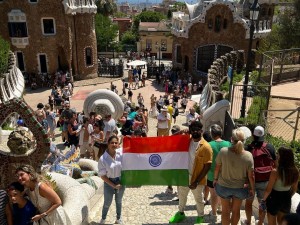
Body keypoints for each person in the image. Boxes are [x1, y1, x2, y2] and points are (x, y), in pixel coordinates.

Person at [169, 121, 213, 224]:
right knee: (182, 196)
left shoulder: (206, 147)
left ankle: (200, 217)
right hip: (184, 176)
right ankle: (180, 213)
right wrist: (180, 132)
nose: (195, 132)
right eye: (193, 130)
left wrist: (196, 181)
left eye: (197, 130)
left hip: (197, 178)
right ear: (190, 131)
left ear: (201, 131)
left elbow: (207, 166)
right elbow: (171, 139)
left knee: (199, 199)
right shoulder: (186, 142)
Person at [214, 128, 255, 225]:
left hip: (223, 186)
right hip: (240, 188)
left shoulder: (223, 151)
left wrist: (215, 179)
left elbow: (217, 168)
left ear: (231, 139)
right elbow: (251, 176)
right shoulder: (248, 155)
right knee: (236, 211)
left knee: (225, 211)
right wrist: (252, 188)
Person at [244, 126, 276, 225]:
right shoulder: (269, 147)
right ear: (263, 135)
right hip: (266, 181)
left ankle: (248, 221)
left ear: (253, 135)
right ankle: (260, 223)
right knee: (262, 203)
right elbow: (275, 163)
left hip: (251, 181)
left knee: (248, 203)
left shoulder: (248, 148)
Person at [260, 147, 299, 225]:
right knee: (282, 222)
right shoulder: (295, 171)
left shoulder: (275, 172)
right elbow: (294, 189)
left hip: (274, 198)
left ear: (282, 157)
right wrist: (287, 197)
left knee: (271, 222)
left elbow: (268, 189)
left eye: (278, 154)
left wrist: (263, 200)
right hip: (286, 198)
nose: (277, 155)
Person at [98, 136, 125, 225]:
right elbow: (102, 176)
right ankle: (103, 219)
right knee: (107, 202)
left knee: (119, 201)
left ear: (118, 144)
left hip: (121, 181)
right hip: (108, 182)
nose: (114, 144)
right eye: (112, 143)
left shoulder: (121, 155)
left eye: (116, 143)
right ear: (108, 144)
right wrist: (113, 186)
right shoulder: (103, 159)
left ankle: (118, 218)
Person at [207, 124, 231, 221]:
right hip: (225, 174)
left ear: (212, 134)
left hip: (212, 174)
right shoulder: (228, 144)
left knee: (213, 195)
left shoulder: (209, 145)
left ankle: (213, 213)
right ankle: (221, 208)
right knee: (223, 194)